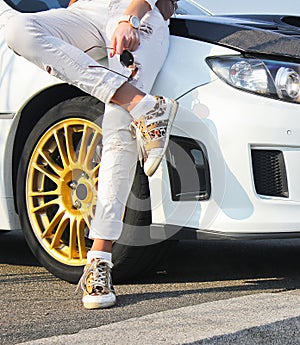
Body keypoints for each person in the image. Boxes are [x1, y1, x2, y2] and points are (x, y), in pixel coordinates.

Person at [3, 0, 178, 309]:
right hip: (85, 12)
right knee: (19, 30)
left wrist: (131, 20)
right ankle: (142, 104)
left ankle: (99, 259)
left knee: (117, 124)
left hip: (141, 13)